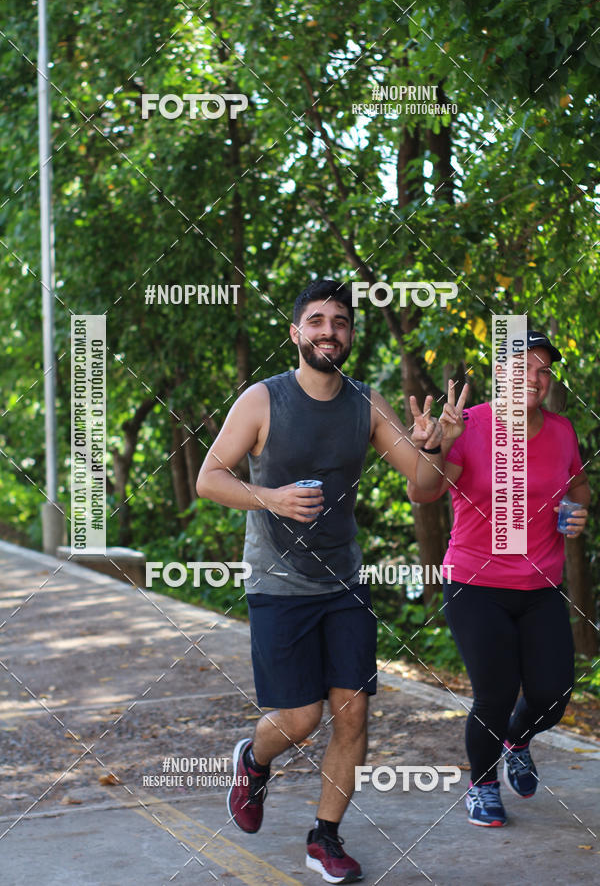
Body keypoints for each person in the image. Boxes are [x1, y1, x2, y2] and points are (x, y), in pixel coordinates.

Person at [196, 278, 466, 882]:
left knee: (353, 715)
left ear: (350, 334)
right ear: (296, 333)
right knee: (299, 720)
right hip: (277, 583)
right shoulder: (263, 400)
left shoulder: (367, 405)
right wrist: (270, 498)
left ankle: (325, 836)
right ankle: (254, 760)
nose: (328, 331)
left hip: (343, 581)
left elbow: (424, 490)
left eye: (340, 322)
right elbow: (208, 479)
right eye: (316, 321)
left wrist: (438, 447)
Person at [408, 330, 590, 827]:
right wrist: (432, 447)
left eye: (543, 370)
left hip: (541, 587)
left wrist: (577, 512)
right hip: (475, 583)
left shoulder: (562, 430)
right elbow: (422, 494)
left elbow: (578, 487)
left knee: (553, 696)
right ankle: (482, 785)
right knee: (494, 690)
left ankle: (517, 739)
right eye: (523, 369)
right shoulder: (466, 424)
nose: (535, 378)